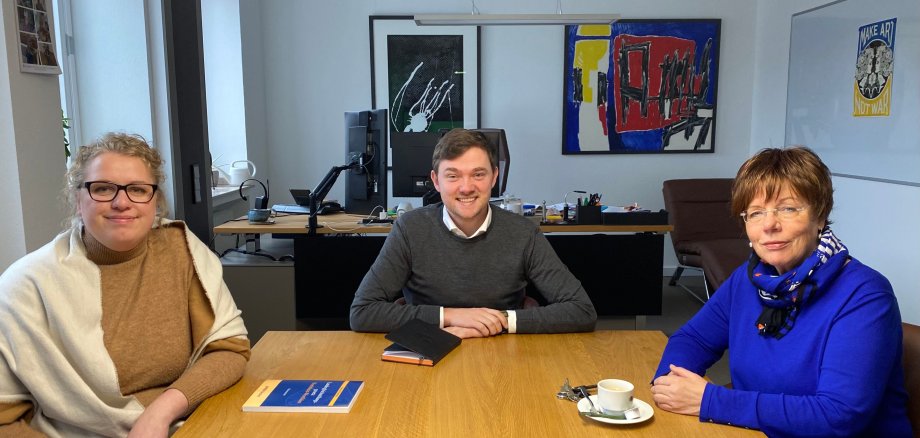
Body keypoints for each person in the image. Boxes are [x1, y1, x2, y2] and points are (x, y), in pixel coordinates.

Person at [0, 133, 250, 437]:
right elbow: (5, 418)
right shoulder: (26, 286)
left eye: (138, 189)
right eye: (103, 188)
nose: (122, 202)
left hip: (184, 425)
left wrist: (161, 411)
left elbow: (229, 350)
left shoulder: (181, 250)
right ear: (78, 200)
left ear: (155, 201)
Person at [650, 147, 912, 436]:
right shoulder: (750, 280)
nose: (769, 225)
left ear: (820, 216)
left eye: (788, 208)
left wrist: (710, 400)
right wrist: (670, 384)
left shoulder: (865, 296)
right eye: (755, 212)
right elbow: (694, 338)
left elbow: (838, 417)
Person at [350, 128, 596, 338]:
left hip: (503, 358)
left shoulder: (523, 233)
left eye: (478, 174)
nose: (466, 187)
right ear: (436, 181)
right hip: (429, 349)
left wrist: (496, 322)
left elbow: (581, 311)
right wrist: (452, 316)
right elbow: (362, 312)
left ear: (494, 177)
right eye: (453, 176)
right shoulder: (409, 230)